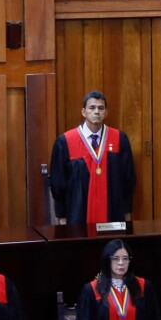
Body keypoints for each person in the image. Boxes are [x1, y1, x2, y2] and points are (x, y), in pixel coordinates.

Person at [49, 90, 135, 225]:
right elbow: (58, 184)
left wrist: (127, 212)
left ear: (106, 113)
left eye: (101, 108)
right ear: (84, 112)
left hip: (113, 213)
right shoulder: (65, 142)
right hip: (77, 215)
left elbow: (128, 180)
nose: (97, 112)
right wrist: (62, 216)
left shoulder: (119, 139)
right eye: (92, 108)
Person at [75, 240, 161, 320]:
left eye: (125, 258)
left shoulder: (144, 287)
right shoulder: (92, 290)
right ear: (107, 260)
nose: (121, 263)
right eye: (115, 258)